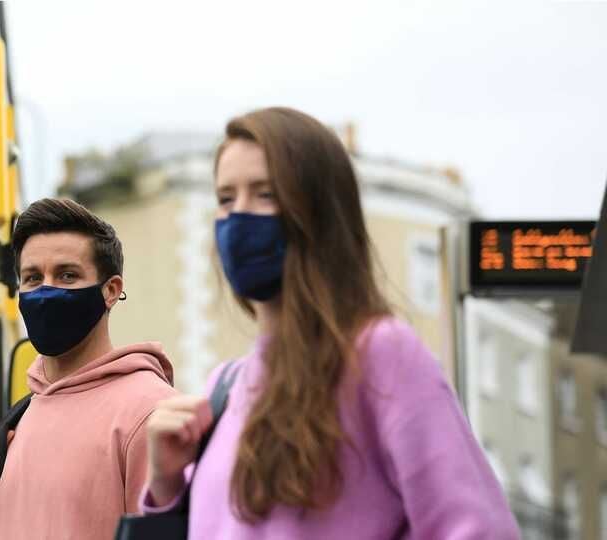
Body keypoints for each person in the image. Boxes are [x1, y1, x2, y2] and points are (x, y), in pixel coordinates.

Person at [142, 107, 518, 538]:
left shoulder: (380, 353)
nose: (239, 216)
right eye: (226, 199)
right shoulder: (224, 388)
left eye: (265, 194)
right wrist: (166, 483)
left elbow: (476, 528)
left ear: (318, 213)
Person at [0, 198, 179, 539]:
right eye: (32, 278)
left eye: (67, 275)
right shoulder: (24, 416)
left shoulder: (148, 414)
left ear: (111, 290)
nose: (46, 290)